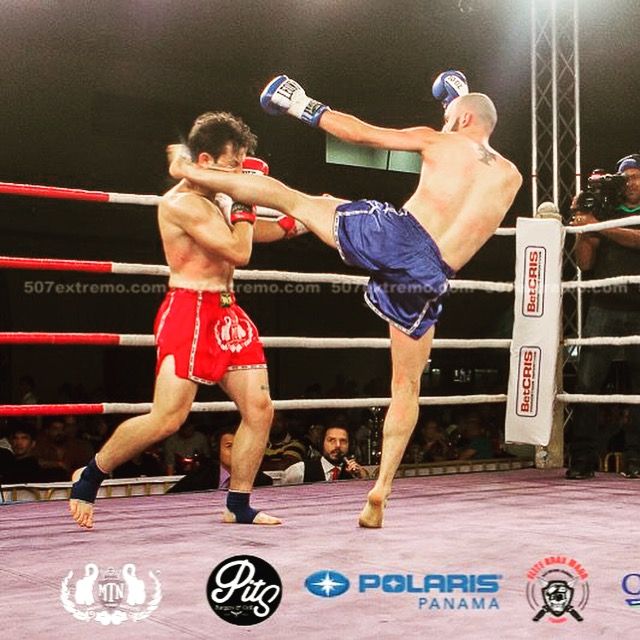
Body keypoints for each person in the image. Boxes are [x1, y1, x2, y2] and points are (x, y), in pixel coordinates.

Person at [167, 71, 522, 527]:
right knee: (406, 387)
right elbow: (473, 151)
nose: (443, 120)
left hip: (399, 236)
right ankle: (381, 491)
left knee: (293, 199)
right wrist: (460, 103)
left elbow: (360, 134)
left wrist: (300, 104)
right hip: (432, 275)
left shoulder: (440, 141)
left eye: (449, 115)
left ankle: (191, 172)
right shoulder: (510, 176)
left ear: (464, 118)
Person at [69, 111, 299, 528]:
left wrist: (298, 222)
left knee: (260, 409)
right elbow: (239, 250)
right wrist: (246, 198)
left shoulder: (218, 195)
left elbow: (250, 230)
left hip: (227, 310)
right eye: (233, 165)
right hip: (189, 311)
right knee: (168, 418)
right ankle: (90, 477)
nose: (239, 173)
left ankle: (238, 504)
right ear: (206, 160)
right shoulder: (181, 204)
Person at [566, 153, 640, 479]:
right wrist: (583, 227)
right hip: (604, 306)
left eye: (636, 176)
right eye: (626, 177)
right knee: (587, 385)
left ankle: (637, 460)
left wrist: (599, 226)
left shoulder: (607, 219)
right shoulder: (605, 210)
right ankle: (582, 460)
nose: (631, 182)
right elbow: (585, 263)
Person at [167, 427, 273, 493]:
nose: (236, 451)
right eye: (229, 446)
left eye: (241, 445)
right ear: (217, 450)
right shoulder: (199, 477)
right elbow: (170, 498)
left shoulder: (262, 481)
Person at [281, 425, 368, 484]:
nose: (338, 445)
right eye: (331, 440)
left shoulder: (356, 473)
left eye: (343, 441)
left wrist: (362, 479)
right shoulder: (300, 470)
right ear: (322, 443)